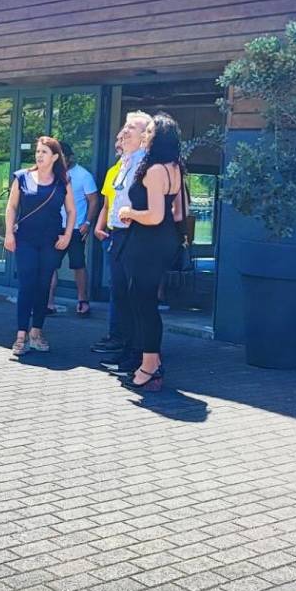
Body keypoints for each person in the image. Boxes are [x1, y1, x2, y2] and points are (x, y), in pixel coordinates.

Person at [114, 113, 184, 391]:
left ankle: (149, 365)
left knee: (144, 305)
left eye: (150, 130)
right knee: (143, 302)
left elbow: (154, 216)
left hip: (148, 242)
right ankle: (149, 362)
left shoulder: (155, 171)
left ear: (159, 137)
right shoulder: (175, 168)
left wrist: (129, 211)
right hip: (161, 241)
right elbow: (177, 212)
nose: (146, 134)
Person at [5, 137, 76, 356]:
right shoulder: (22, 177)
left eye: (44, 152)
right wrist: (9, 233)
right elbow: (12, 206)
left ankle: (36, 332)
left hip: (50, 241)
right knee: (26, 284)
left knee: (44, 285)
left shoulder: (62, 181)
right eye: (37, 151)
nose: (39, 155)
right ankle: (20, 334)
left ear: (55, 156)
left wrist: (67, 234)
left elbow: (72, 210)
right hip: (25, 239)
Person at [98, 113, 151, 367]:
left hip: (136, 235)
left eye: (133, 127)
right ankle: (126, 349)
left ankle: (138, 354)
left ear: (145, 136)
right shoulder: (123, 164)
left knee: (133, 296)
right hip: (116, 235)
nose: (126, 131)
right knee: (120, 293)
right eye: (126, 126)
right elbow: (111, 200)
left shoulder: (147, 166)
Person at [45, 143, 100, 318]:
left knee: (78, 264)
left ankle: (83, 300)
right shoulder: (51, 173)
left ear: (70, 157)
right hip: (55, 227)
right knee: (50, 265)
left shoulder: (84, 175)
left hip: (76, 228)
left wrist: (88, 223)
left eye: (63, 157)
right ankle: (48, 302)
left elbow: (93, 200)